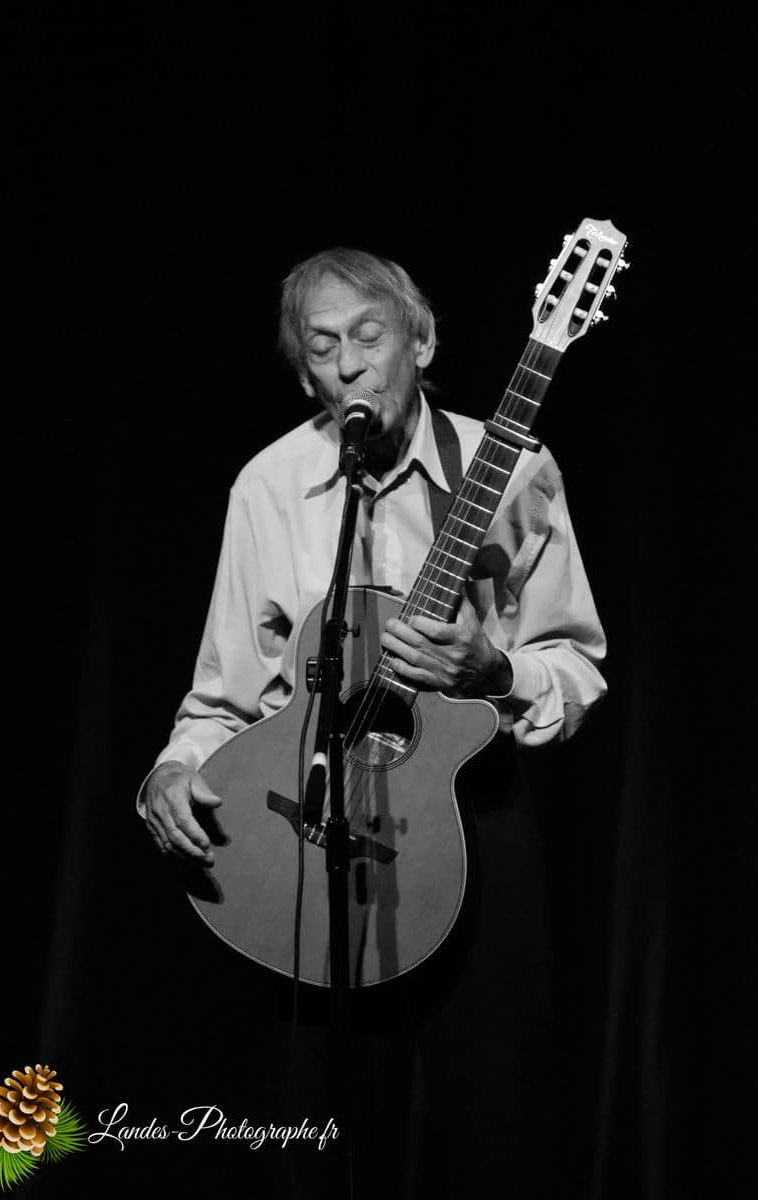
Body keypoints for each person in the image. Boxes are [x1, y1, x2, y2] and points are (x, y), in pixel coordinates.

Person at [139, 247, 607, 1197]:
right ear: (305, 373)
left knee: (497, 1132)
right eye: (323, 347)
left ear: (422, 342)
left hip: (475, 819)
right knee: (312, 1139)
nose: (349, 364)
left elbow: (577, 665)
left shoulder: (513, 468)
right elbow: (224, 692)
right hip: (310, 834)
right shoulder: (269, 487)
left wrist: (498, 669)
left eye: (369, 335)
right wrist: (171, 771)